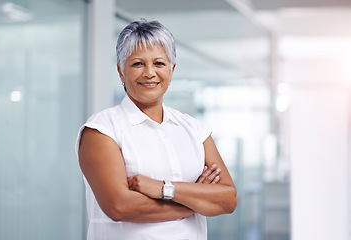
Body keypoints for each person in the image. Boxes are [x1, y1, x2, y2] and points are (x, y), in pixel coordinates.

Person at [76, 19, 237, 240]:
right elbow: (119, 206)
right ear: (121, 72)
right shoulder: (102, 130)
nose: (149, 73)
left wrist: (163, 189)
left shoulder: (194, 130)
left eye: (159, 64)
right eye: (137, 64)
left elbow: (227, 199)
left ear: (172, 70)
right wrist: (197, 202)